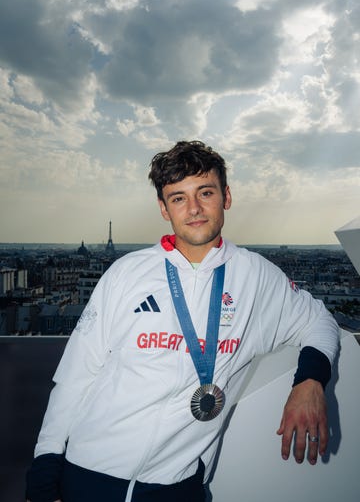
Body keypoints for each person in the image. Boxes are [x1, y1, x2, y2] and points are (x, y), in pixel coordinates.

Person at [26, 140, 339, 502]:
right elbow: (75, 378)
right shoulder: (125, 273)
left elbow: (319, 320)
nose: (193, 208)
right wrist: (45, 466)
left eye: (205, 192)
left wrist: (310, 381)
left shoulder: (257, 278)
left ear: (227, 196)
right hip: (86, 475)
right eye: (178, 198)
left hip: (176, 487)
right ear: (163, 208)